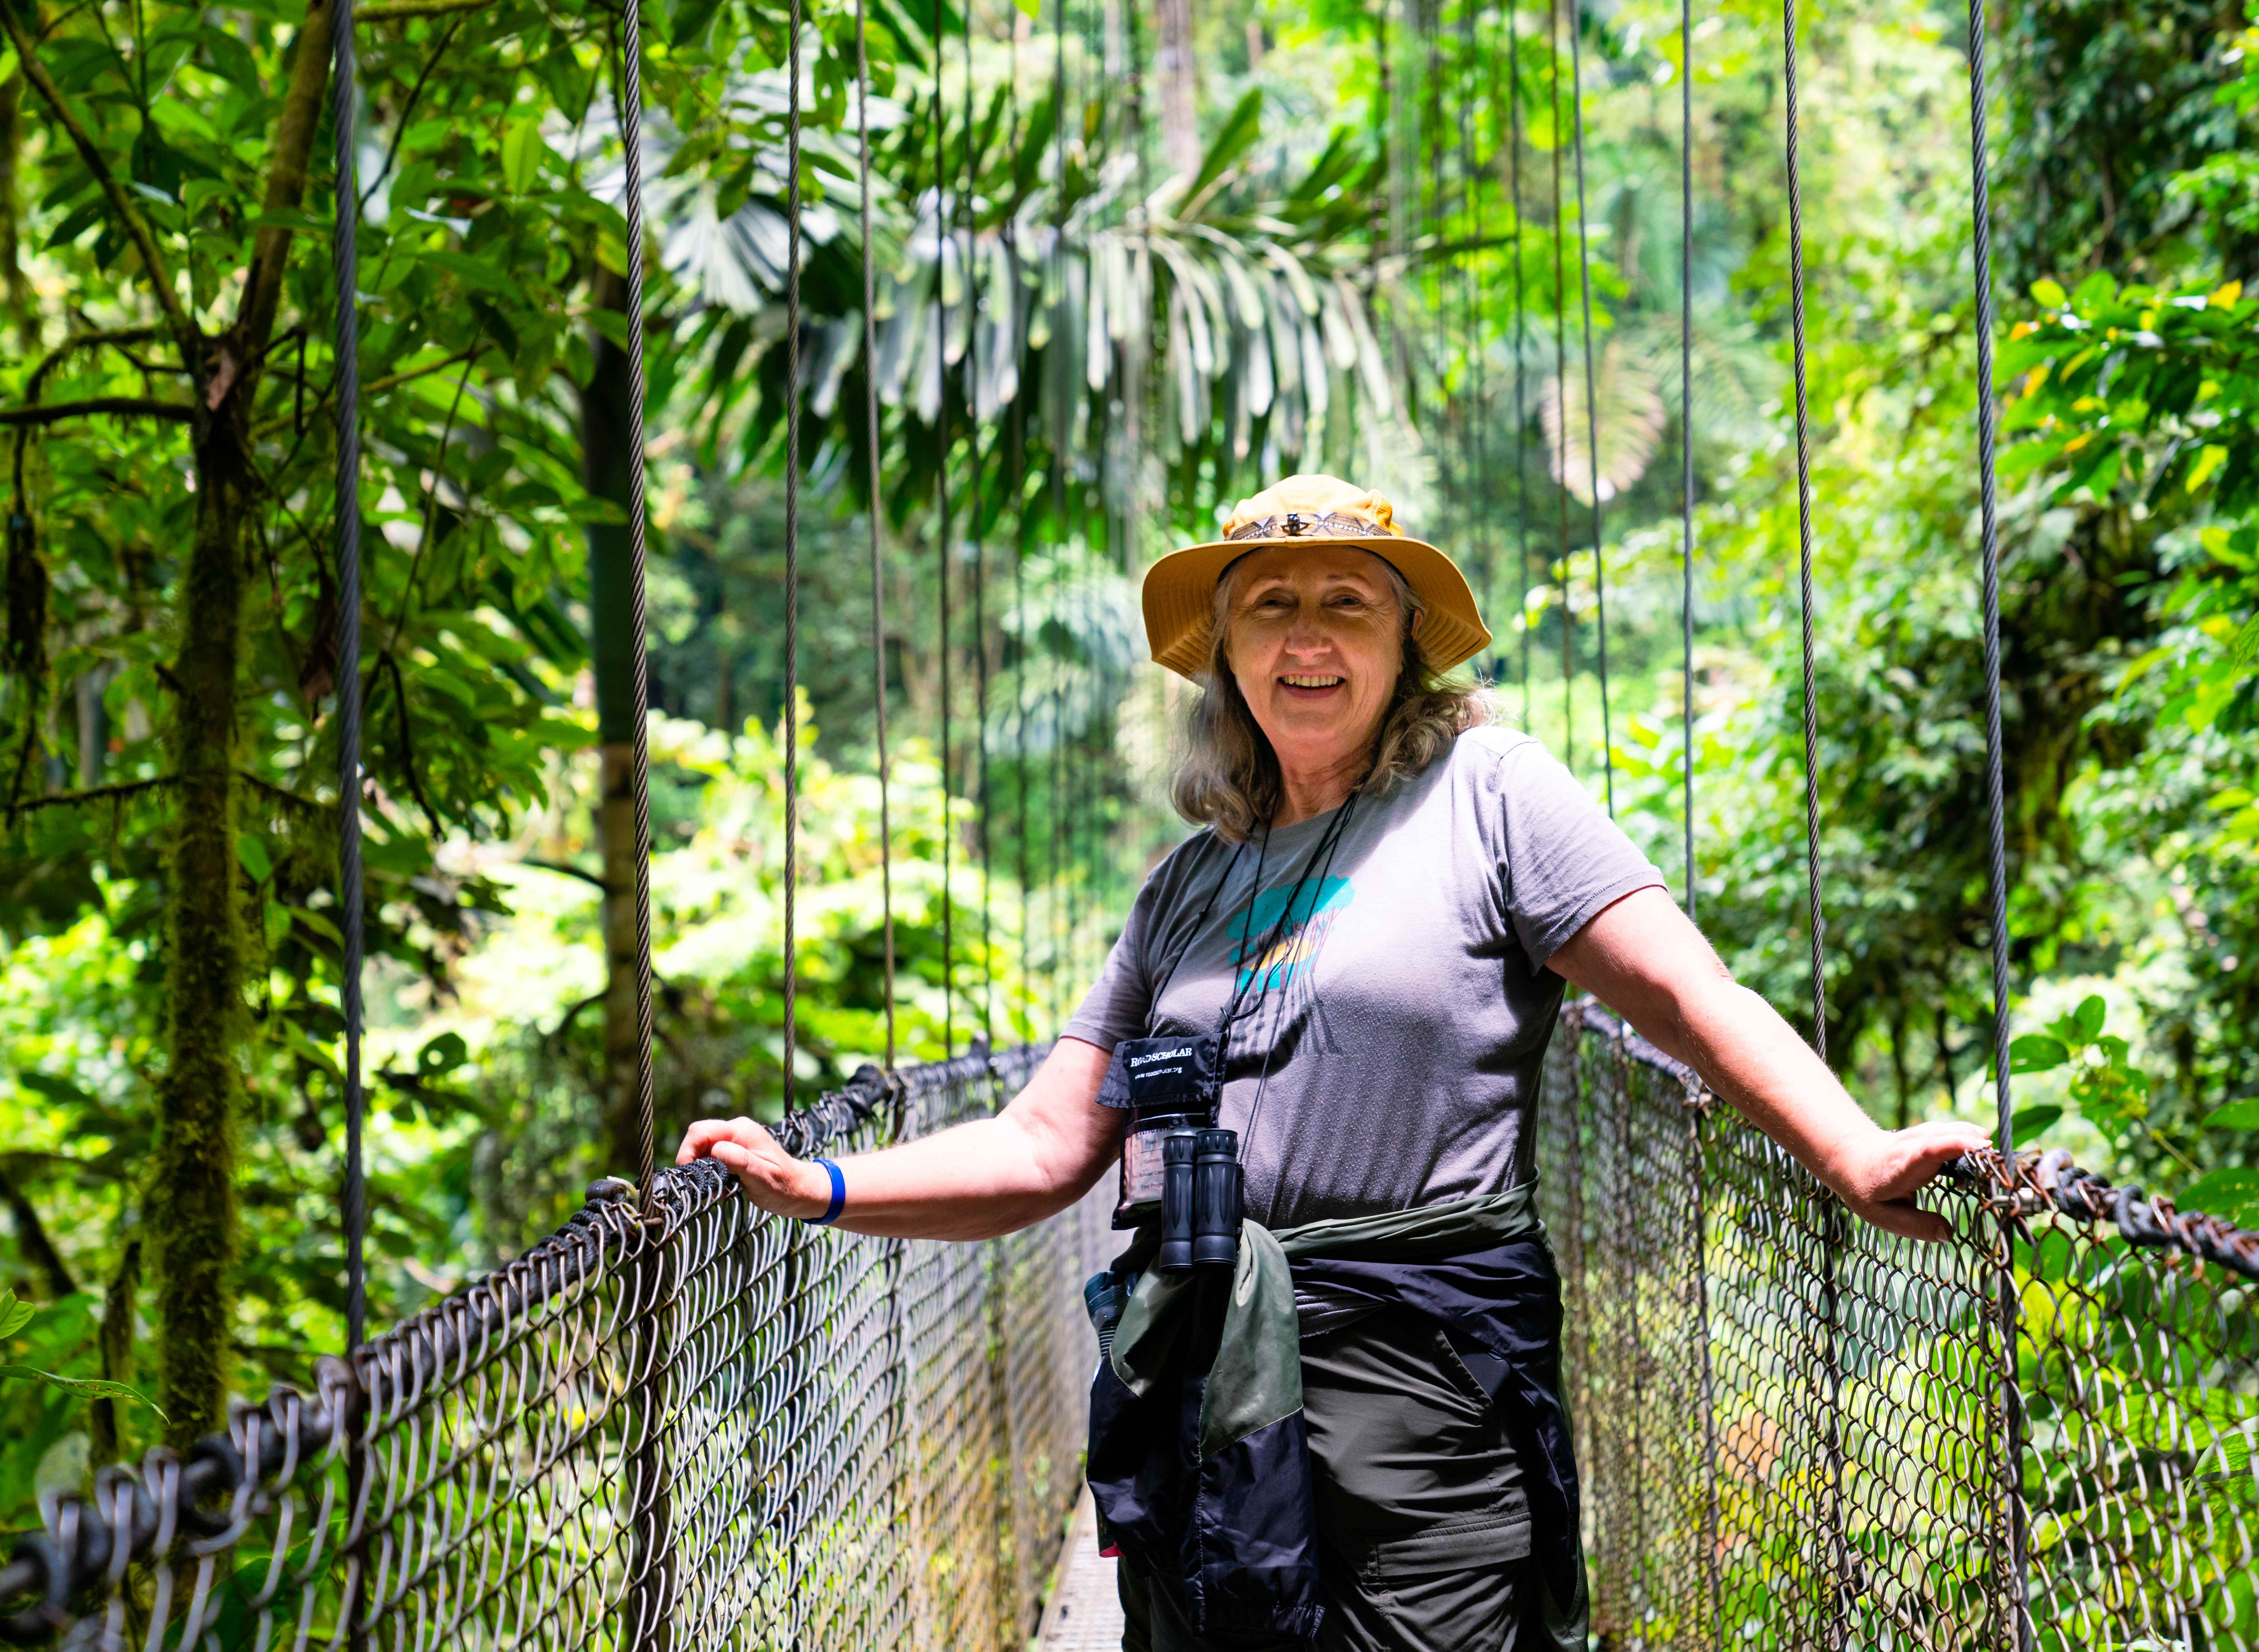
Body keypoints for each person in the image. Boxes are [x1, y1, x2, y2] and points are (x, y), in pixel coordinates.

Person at [676, 474, 1988, 1651]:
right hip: (1205, 1368)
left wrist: (1847, 1149)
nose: (1306, 639)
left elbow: (1688, 996)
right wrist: (821, 1185)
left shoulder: (1489, 793)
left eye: (1347, 604)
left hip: (1424, 1370)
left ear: (1405, 642)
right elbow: (1039, 1146)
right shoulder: (1181, 889)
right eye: (1270, 608)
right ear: (1227, 655)